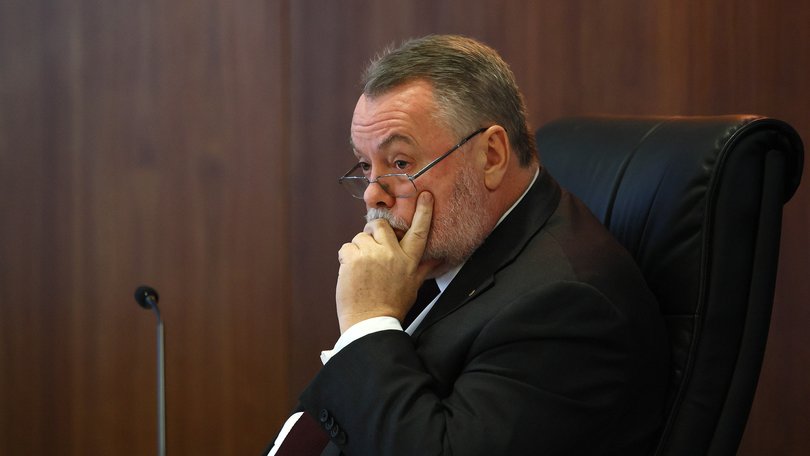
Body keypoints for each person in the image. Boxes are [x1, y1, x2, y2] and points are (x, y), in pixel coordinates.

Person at [265, 34, 669, 455]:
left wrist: (367, 323)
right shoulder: (445, 249)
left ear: (491, 156)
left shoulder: (567, 308)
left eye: (400, 163)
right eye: (367, 165)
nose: (372, 194)